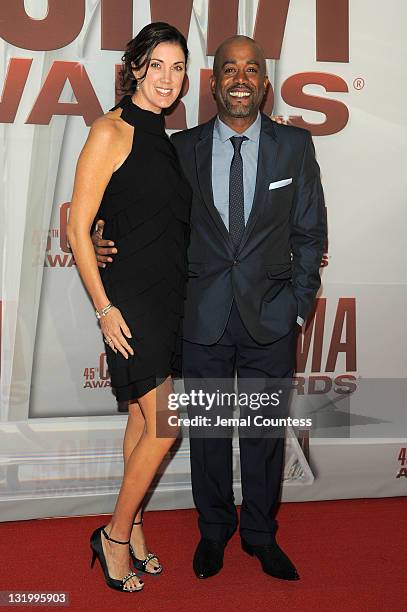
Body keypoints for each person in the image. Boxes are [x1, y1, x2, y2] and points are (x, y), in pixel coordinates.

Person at [93, 35, 327, 582]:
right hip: (198, 316)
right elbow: (131, 207)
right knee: (210, 435)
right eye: (228, 69)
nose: (240, 78)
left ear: (264, 84)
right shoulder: (180, 149)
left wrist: (298, 305)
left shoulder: (295, 147)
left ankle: (262, 535)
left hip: (271, 316)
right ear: (214, 82)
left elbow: (310, 233)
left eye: (251, 69)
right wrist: (100, 234)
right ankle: (215, 531)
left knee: (266, 434)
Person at [67, 22, 191, 592]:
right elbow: (76, 224)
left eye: (179, 67)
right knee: (168, 423)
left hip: (166, 297)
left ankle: (135, 524)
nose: (168, 78)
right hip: (129, 301)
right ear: (135, 68)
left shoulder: (164, 136)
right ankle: (113, 536)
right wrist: (103, 308)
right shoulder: (110, 130)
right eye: (158, 65)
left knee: (145, 419)